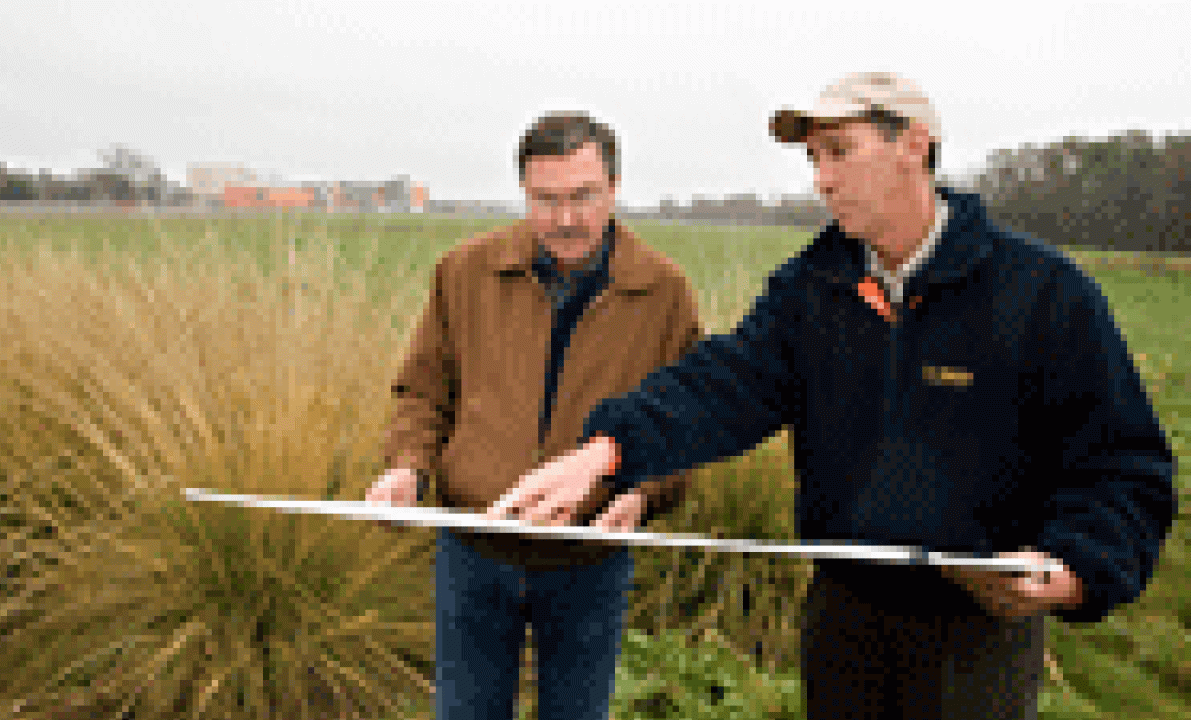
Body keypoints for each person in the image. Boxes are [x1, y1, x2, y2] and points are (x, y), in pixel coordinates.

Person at [485, 73, 1177, 719]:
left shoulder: (1041, 293)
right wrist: (606, 452)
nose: (822, 180)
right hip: (843, 621)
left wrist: (1077, 570)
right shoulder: (810, 290)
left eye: (840, 153)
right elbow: (719, 386)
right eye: (813, 159)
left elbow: (1124, 467)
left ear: (914, 145)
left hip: (979, 637)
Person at [366, 111, 702, 720]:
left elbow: (684, 423)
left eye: (583, 197)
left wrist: (645, 494)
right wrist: (406, 470)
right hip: (472, 552)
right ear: (523, 191)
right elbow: (421, 395)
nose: (566, 219)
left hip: (588, 563)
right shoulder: (463, 272)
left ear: (614, 188)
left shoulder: (664, 290)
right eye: (546, 200)